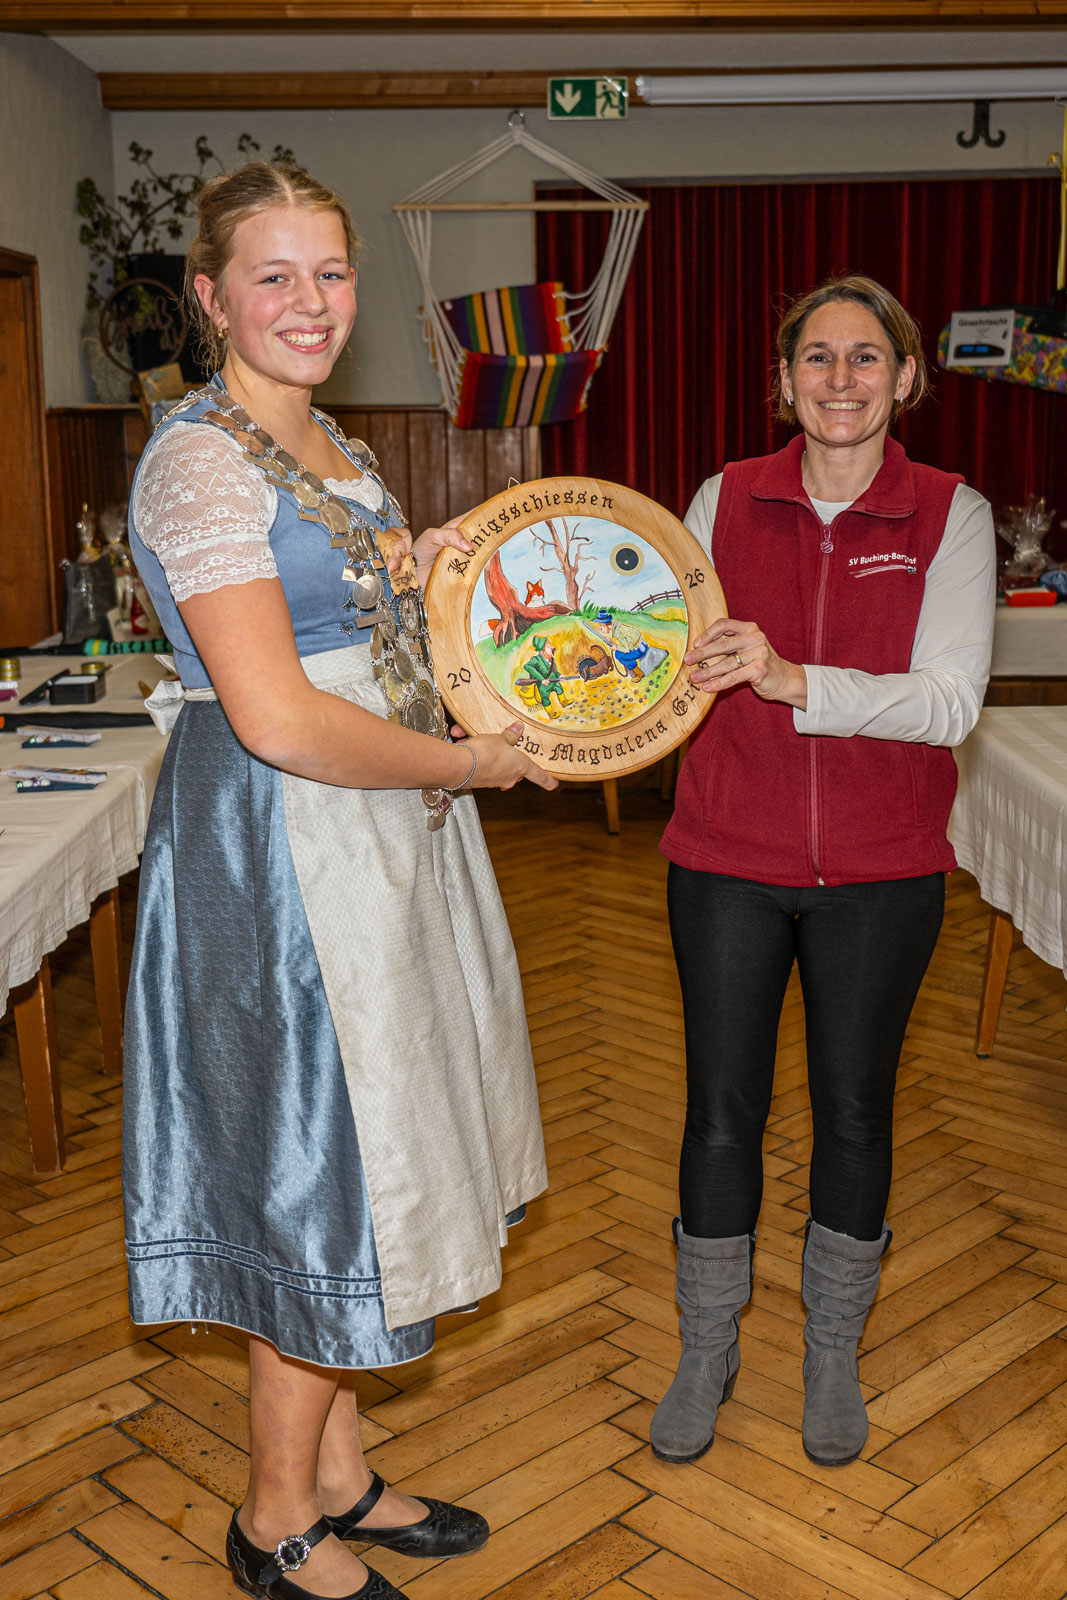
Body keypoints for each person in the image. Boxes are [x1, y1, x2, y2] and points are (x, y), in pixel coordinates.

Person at [122, 161, 557, 1600]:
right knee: (323, 1184)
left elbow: (359, 630)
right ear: (210, 295)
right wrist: (474, 769)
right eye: (273, 277)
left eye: (330, 275)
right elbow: (279, 715)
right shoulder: (196, 459)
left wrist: (429, 574)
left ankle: (343, 1473)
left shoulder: (335, 451)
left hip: (378, 838)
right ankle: (272, 1522)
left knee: (372, 1161)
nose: (308, 304)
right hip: (283, 856)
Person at [650, 275, 995, 1471]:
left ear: (904, 379)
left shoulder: (950, 513)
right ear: (783, 379)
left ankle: (831, 1346)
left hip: (881, 870)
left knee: (854, 1110)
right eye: (815, 358)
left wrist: (795, 678)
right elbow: (652, 653)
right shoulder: (720, 497)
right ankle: (704, 1344)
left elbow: (950, 703)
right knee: (718, 1111)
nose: (838, 379)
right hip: (724, 856)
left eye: (864, 359)